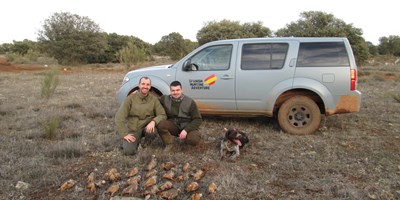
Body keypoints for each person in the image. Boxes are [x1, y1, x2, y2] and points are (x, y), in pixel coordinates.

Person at [115, 76, 166, 155]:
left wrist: (153, 122)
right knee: (128, 152)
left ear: (150, 86)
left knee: (152, 132)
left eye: (147, 84)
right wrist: (124, 134)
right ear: (139, 85)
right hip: (134, 128)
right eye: (143, 84)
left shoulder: (154, 99)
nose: (145, 86)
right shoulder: (130, 98)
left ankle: (146, 144)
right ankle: (135, 143)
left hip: (147, 127)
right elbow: (119, 117)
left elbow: (162, 114)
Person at [157, 81, 202, 150]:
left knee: (194, 140)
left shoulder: (190, 102)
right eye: (173, 90)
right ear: (170, 91)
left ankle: (187, 137)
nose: (175, 92)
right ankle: (169, 144)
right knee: (161, 125)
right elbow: (153, 100)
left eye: (178, 90)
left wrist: (186, 130)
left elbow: (198, 119)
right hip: (173, 125)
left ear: (182, 90)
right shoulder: (165, 99)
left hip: (186, 126)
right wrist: (138, 93)